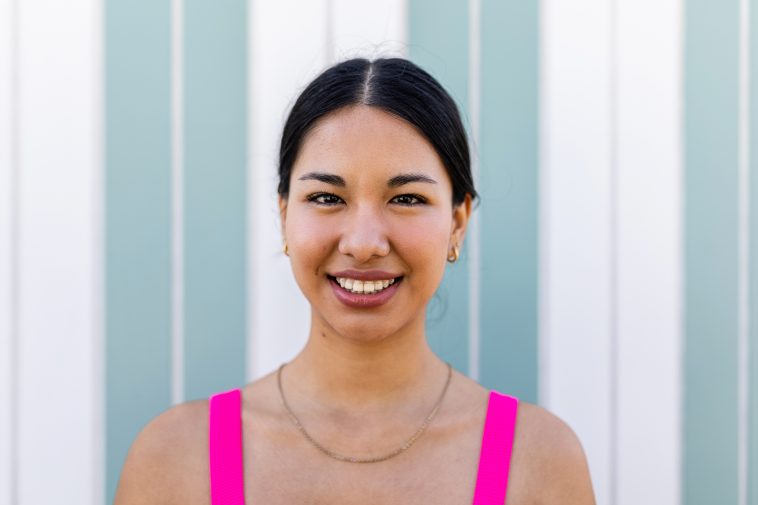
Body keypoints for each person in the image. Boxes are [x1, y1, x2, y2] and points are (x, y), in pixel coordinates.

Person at [114, 57, 596, 505]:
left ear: (458, 222)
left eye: (406, 199)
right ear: (284, 217)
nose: (364, 243)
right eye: (327, 197)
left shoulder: (536, 462)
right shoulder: (175, 459)